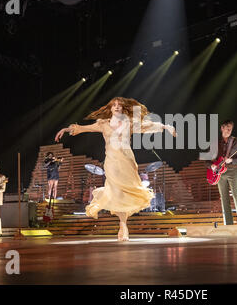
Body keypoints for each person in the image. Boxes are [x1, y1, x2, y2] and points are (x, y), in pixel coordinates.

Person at [55, 97, 176, 241]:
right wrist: (66, 129)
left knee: (126, 193)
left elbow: (146, 125)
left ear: (123, 108)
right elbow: (82, 128)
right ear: (110, 108)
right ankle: (123, 225)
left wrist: (166, 127)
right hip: (111, 161)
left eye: (119, 105)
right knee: (116, 192)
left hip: (127, 161)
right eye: (114, 105)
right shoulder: (103, 124)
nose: (117, 107)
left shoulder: (129, 123)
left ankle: (123, 223)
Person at [207, 120, 237, 228]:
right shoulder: (215, 142)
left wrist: (231, 161)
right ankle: (228, 225)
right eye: (226, 128)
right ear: (221, 128)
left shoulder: (236, 141)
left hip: (232, 171)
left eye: (230, 129)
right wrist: (211, 166)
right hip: (219, 173)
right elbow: (207, 160)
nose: (228, 130)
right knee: (224, 198)